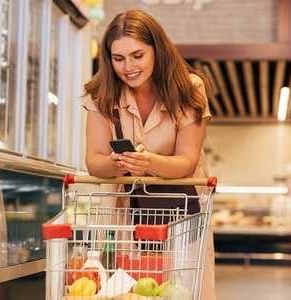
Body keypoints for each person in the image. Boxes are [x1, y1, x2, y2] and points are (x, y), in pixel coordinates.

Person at [81, 9, 216, 300]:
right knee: (127, 292)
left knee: (185, 289)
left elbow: (187, 161)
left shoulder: (189, 89)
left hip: (184, 212)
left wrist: (148, 162)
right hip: (125, 214)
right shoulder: (101, 94)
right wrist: (115, 162)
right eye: (118, 58)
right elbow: (94, 161)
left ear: (157, 50)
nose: (127, 67)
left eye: (137, 56)